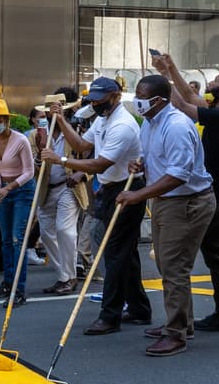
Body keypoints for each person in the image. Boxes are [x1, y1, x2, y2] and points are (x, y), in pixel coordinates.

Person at [116, 74, 215, 357]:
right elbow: (157, 159)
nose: (137, 101)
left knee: (173, 268)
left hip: (186, 202)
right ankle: (183, 322)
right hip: (165, 201)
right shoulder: (150, 123)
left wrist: (137, 195)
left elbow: (177, 175)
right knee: (167, 265)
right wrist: (142, 164)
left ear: (159, 99)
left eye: (142, 96)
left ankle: (176, 333)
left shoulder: (177, 126)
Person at [43, 77, 151, 335]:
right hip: (110, 188)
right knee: (125, 254)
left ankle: (110, 315)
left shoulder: (123, 125)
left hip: (127, 190)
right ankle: (139, 308)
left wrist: (61, 160)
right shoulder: (103, 120)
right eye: (93, 99)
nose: (96, 103)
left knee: (113, 253)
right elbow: (82, 145)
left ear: (115, 96)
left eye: (101, 99)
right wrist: (61, 121)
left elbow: (99, 164)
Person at [153, 54, 219, 330]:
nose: (210, 84)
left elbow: (182, 104)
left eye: (216, 82)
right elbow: (189, 98)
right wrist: (170, 69)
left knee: (217, 252)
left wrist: (162, 80)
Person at [0, 99, 35, 308]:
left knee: (17, 240)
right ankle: (7, 282)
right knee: (5, 240)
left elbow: (29, 172)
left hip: (21, 190)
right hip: (0, 190)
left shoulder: (20, 140)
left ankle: (19, 289)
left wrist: (8, 187)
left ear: (6, 121)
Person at [30, 88, 81, 296]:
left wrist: (81, 174)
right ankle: (65, 275)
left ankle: (69, 276)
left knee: (65, 230)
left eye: (54, 112)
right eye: (47, 113)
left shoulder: (75, 129)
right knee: (46, 232)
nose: (50, 116)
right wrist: (41, 153)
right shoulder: (36, 135)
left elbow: (85, 151)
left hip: (68, 187)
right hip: (46, 189)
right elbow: (34, 167)